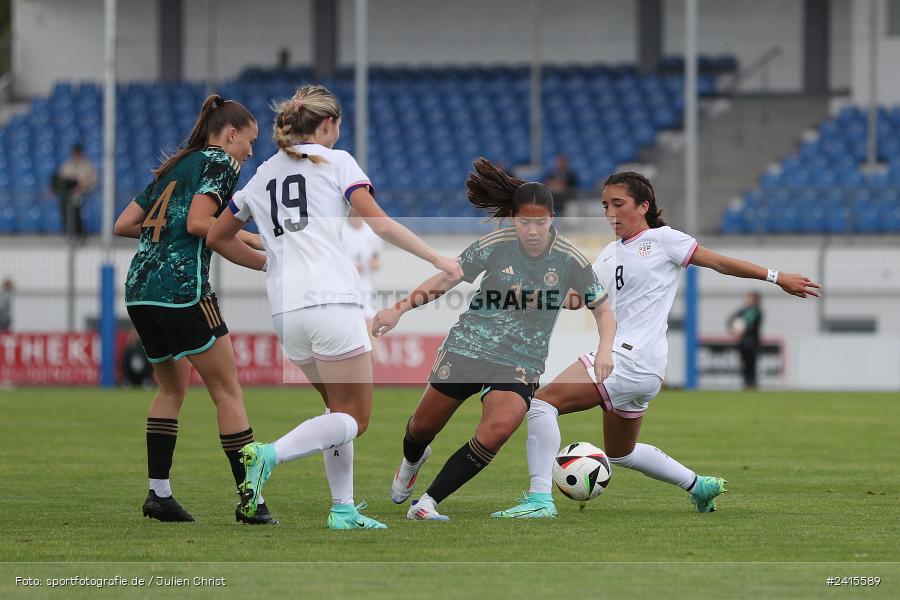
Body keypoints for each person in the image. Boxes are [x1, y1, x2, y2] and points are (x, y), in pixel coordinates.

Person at [206, 84, 462, 530]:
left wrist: (269, 263)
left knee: (336, 413)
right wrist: (438, 259)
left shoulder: (263, 172)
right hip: (333, 302)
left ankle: (343, 508)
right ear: (327, 125)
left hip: (287, 311)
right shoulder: (336, 162)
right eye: (338, 126)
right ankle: (269, 455)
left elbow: (217, 236)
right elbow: (378, 222)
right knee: (356, 418)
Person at [493, 172, 820, 519]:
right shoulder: (608, 255)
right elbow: (578, 299)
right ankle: (699, 485)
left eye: (619, 204)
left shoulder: (663, 240)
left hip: (627, 358)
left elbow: (720, 262)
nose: (610, 213)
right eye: (605, 205)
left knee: (542, 404)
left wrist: (776, 277)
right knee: (620, 452)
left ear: (643, 206)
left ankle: (540, 500)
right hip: (645, 368)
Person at [373, 158, 614, 522]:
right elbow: (447, 278)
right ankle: (412, 460)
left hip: (521, 361)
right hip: (468, 347)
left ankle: (426, 503)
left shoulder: (570, 259)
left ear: (552, 219)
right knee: (422, 427)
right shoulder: (496, 243)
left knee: (498, 429)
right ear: (512, 219)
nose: (532, 230)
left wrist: (605, 351)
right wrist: (399, 308)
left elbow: (603, 310)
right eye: (524, 222)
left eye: (540, 222)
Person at [114, 95, 276, 525]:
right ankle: (251, 502)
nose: (251, 151)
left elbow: (124, 224)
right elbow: (201, 224)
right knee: (228, 391)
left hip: (140, 289)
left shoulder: (175, 165)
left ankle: (159, 495)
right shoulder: (222, 163)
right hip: (181, 290)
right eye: (251, 141)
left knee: (171, 389)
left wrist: (163, 242)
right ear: (231, 134)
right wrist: (264, 253)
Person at [342, 207, 384, 358]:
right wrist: (351, 268)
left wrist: (365, 265)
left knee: (372, 353)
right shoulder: (340, 230)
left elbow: (377, 262)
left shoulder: (371, 231)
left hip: (365, 295)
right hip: (343, 294)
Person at [53, 144, 98, 238]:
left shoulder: (87, 165)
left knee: (77, 211)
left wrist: (82, 187)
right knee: (65, 210)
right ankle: (69, 233)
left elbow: (93, 180)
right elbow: (61, 178)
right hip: (68, 195)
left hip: (82, 194)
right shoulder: (67, 164)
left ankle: (79, 234)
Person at [729, 291, 764, 389]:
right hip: (743, 343)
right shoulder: (743, 311)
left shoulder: (757, 312)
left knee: (751, 364)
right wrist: (734, 329)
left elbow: (752, 327)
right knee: (744, 364)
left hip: (753, 342)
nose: (747, 300)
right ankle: (746, 383)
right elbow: (731, 320)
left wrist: (742, 330)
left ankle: (752, 384)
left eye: (750, 298)